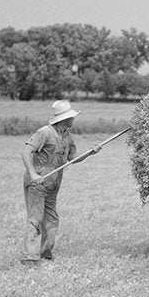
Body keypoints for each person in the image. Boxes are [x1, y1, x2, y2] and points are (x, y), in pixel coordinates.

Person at [21, 99, 90, 264]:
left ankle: (46, 255)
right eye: (71, 116)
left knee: (52, 219)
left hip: (53, 185)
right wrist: (33, 174)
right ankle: (29, 258)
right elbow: (26, 150)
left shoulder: (66, 136)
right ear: (64, 118)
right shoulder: (45, 132)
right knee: (36, 219)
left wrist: (90, 153)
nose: (73, 118)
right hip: (38, 183)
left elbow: (72, 159)